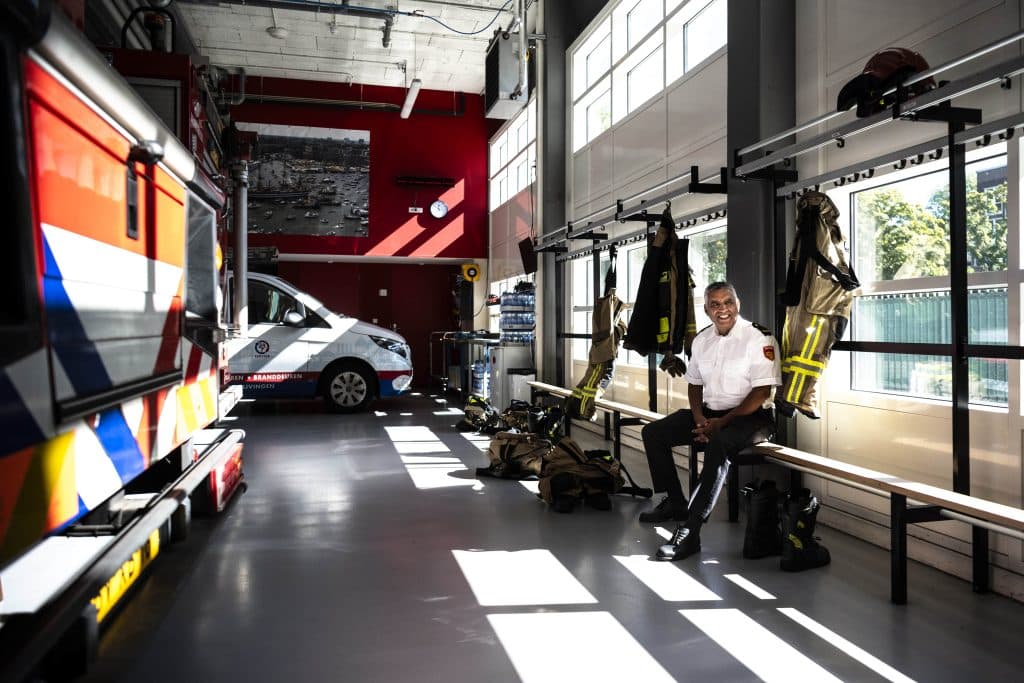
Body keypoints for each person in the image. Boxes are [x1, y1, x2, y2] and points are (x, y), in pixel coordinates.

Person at [638, 281, 781, 561]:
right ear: (706, 310)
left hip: (752, 417)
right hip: (710, 414)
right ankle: (676, 504)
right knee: (654, 433)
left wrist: (721, 424)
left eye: (727, 302)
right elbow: (694, 384)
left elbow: (762, 391)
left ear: (737, 304)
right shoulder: (702, 340)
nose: (722, 309)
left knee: (719, 444)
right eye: (715, 304)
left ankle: (690, 532)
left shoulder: (758, 338)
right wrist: (700, 418)